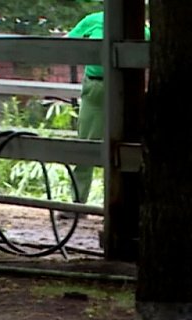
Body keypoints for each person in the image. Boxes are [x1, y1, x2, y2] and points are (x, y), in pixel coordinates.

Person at [65, 10, 149, 207]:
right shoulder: (93, 20)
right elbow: (68, 43)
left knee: (127, 145)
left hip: (125, 88)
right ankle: (78, 202)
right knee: (86, 144)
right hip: (96, 87)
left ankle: (124, 202)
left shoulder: (141, 29)